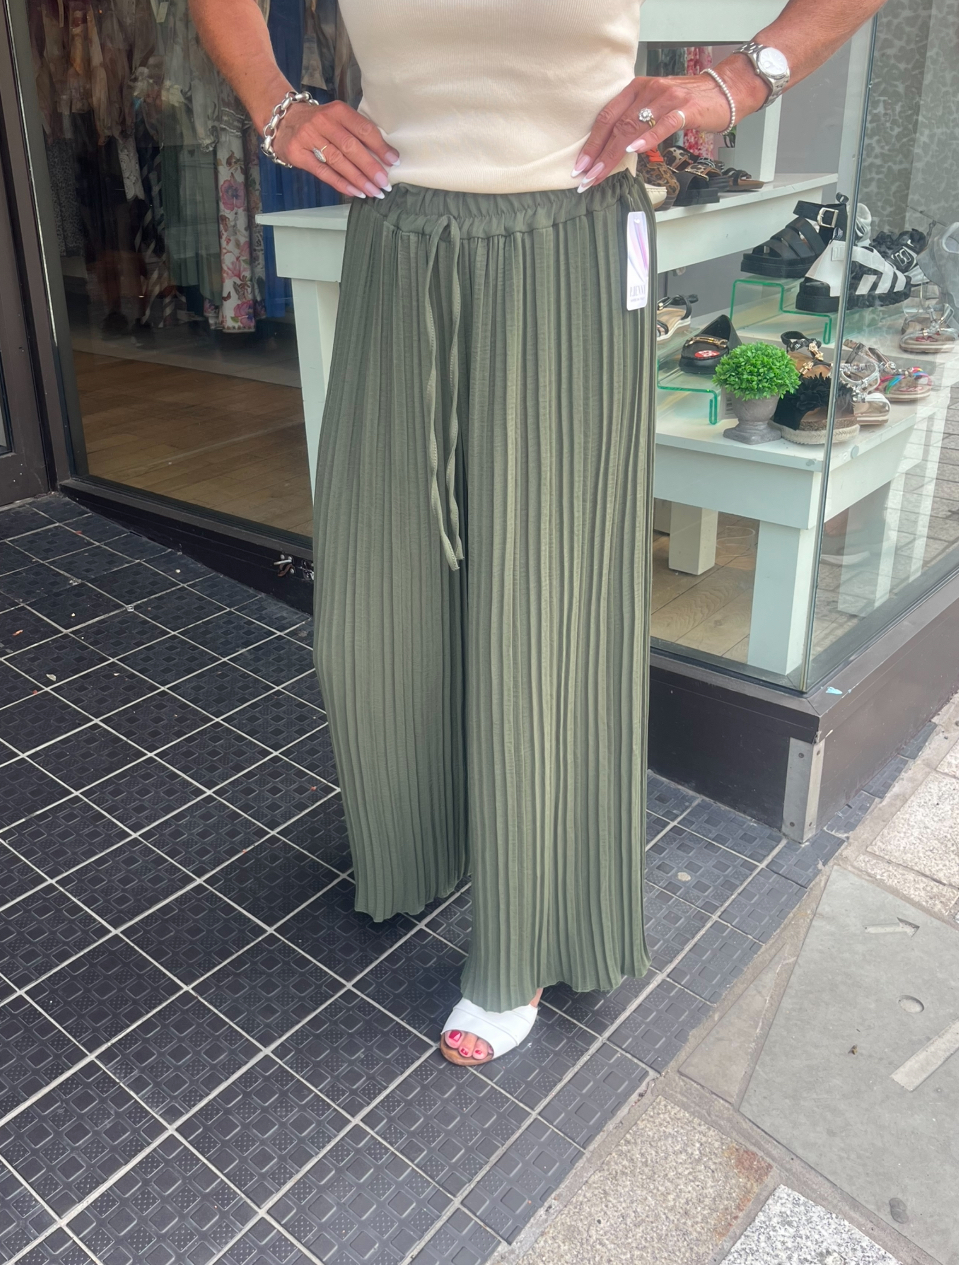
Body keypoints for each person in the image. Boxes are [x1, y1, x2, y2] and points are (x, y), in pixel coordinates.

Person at [190, 0, 888, 1066]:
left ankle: (525, 931)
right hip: (397, 232)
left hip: (570, 245)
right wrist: (275, 105)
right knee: (375, 600)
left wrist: (740, 81)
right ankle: (417, 843)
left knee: (538, 600)